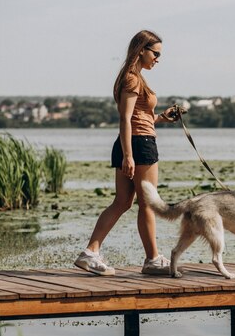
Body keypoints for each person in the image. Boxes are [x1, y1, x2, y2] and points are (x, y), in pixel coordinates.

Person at [74, 30, 179, 276]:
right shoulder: (133, 78)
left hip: (134, 141)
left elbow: (138, 116)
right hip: (139, 145)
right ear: (141, 49)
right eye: (155, 53)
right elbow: (124, 118)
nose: (157, 59)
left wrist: (161, 118)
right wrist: (129, 155)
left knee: (122, 202)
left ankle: (90, 253)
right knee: (148, 204)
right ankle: (153, 260)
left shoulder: (133, 77)